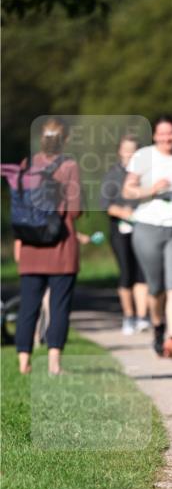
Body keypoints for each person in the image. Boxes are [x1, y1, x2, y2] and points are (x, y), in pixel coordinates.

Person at [14, 117, 82, 376]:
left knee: (28, 305)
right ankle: (54, 364)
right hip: (61, 247)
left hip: (31, 246)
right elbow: (74, 211)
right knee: (59, 305)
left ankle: (23, 362)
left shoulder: (26, 164)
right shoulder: (69, 165)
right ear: (64, 139)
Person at [123, 116, 172, 358]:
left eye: (170, 133)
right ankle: (158, 326)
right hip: (148, 226)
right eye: (162, 134)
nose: (167, 138)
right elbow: (127, 190)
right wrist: (151, 190)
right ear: (154, 136)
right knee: (156, 288)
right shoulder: (144, 156)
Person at [99, 135, 149, 335]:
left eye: (134, 149)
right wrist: (124, 212)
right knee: (127, 273)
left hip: (143, 228)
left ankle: (142, 316)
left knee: (142, 272)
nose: (130, 153)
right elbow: (105, 205)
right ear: (120, 151)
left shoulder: (144, 174)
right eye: (126, 149)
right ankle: (129, 316)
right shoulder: (112, 175)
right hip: (120, 230)